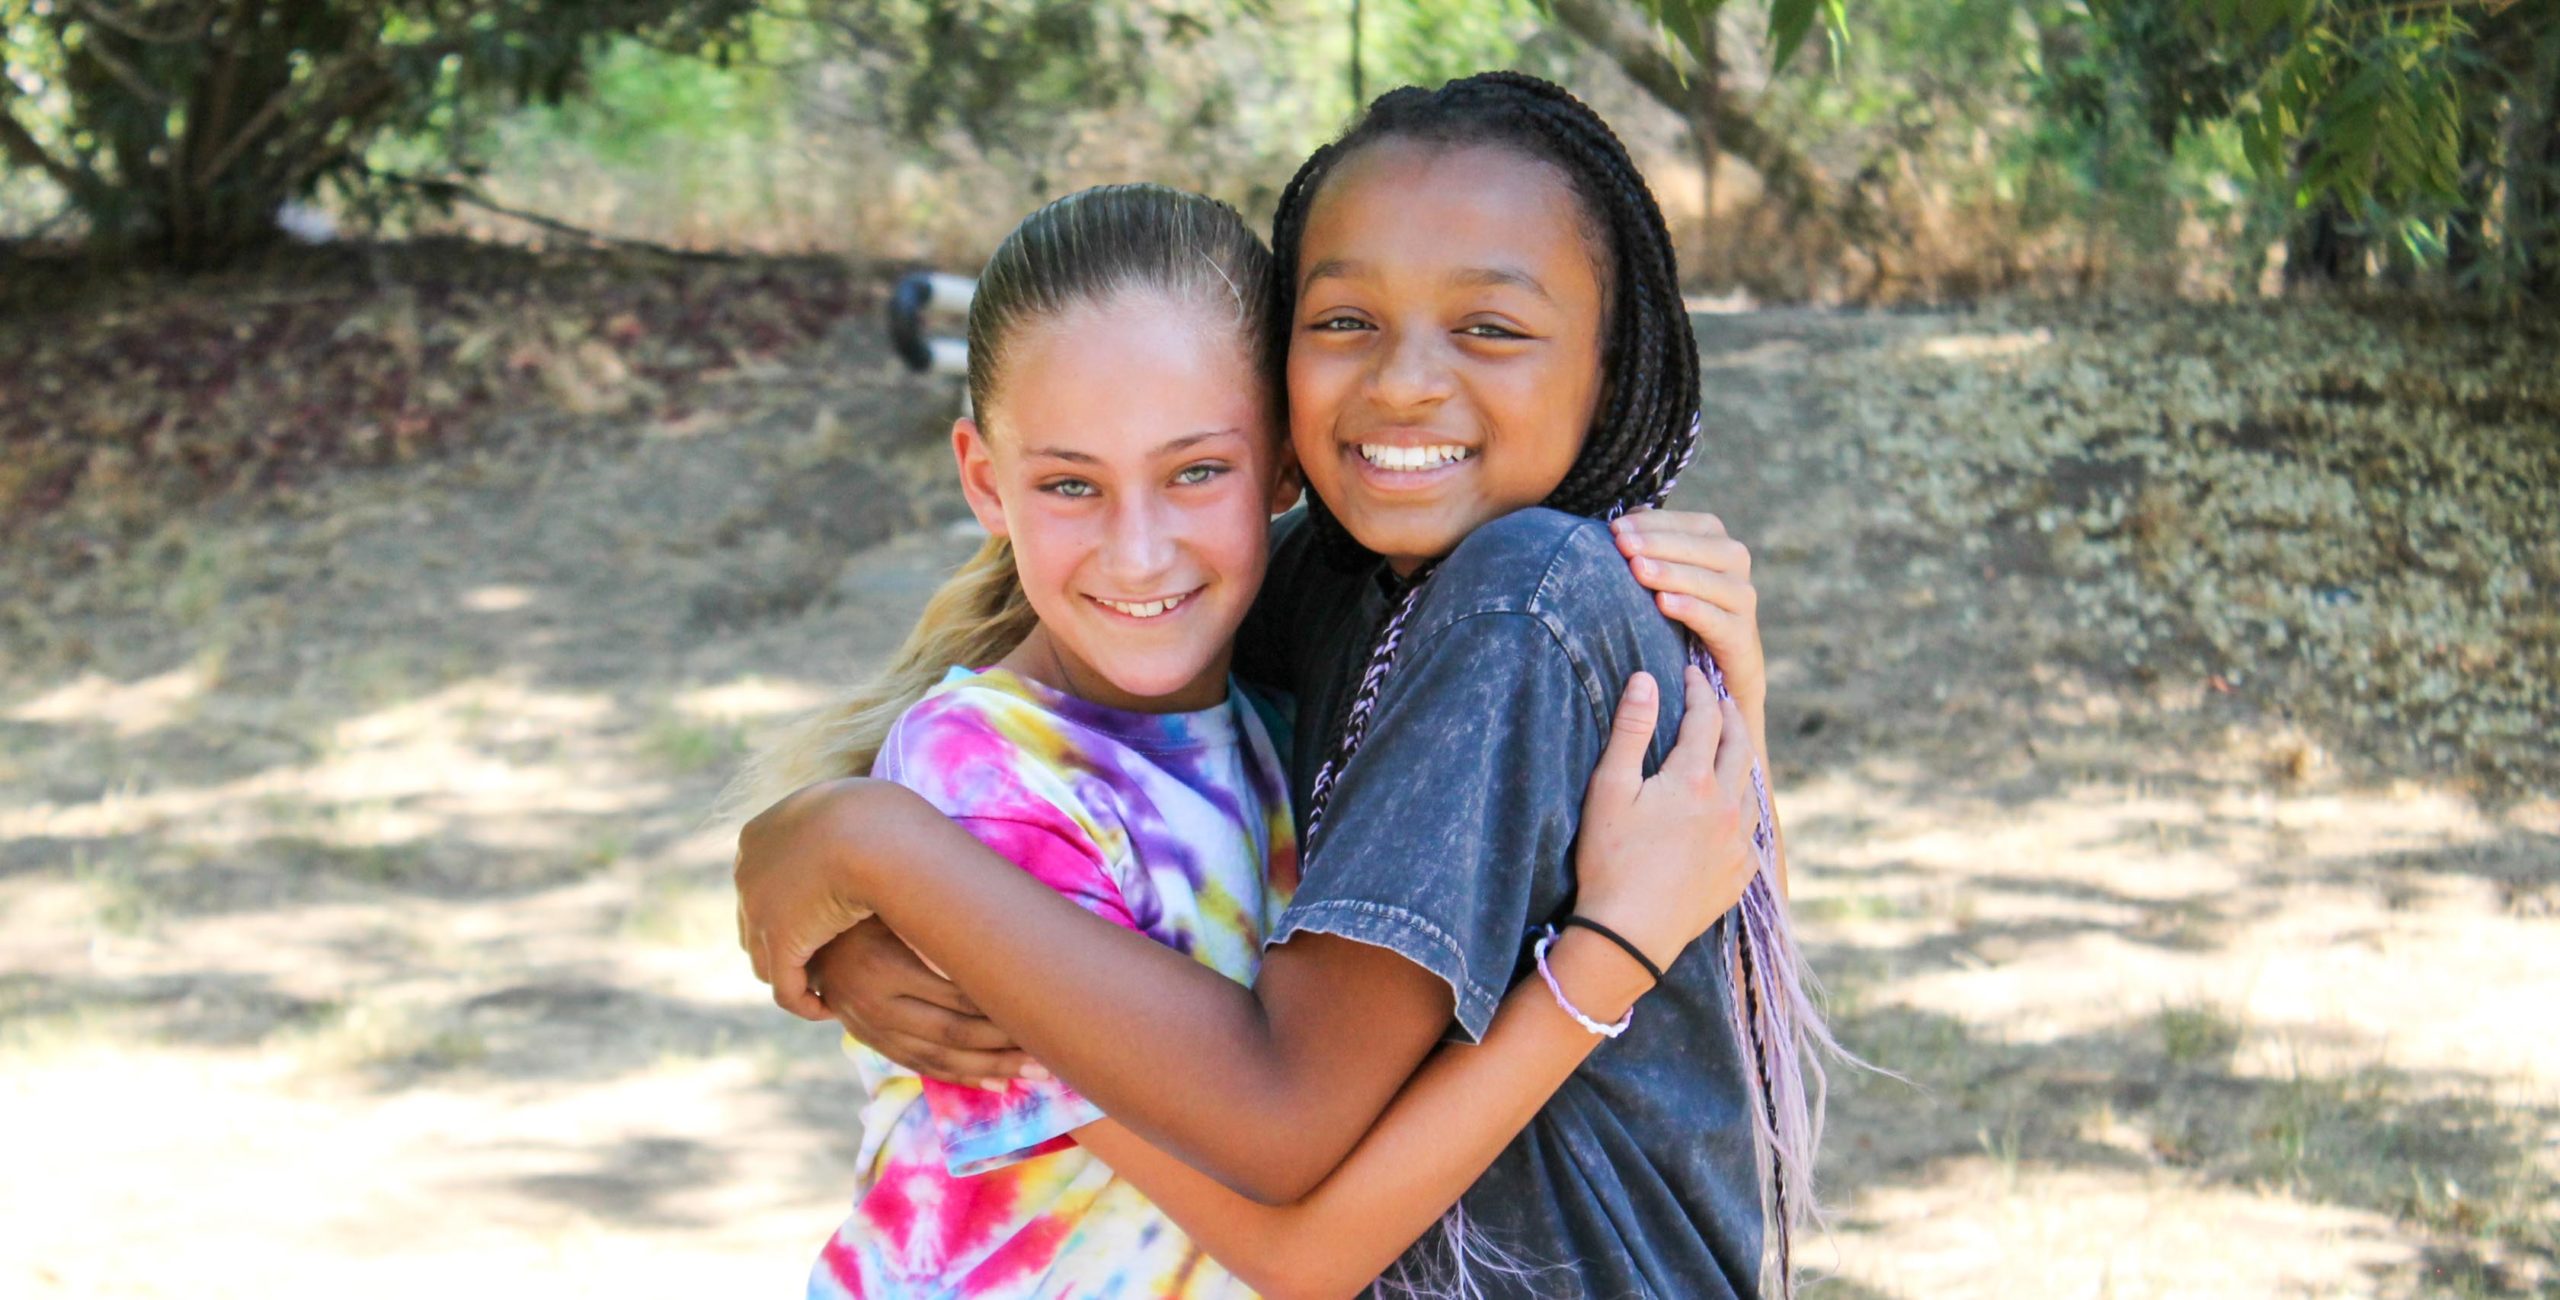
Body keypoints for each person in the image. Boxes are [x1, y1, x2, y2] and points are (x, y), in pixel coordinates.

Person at [739, 74, 1837, 1298]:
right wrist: (850, 850)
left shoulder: (1510, 599)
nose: (1408, 382)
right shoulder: (1300, 607)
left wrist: (1717, 701)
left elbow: (1720, 984)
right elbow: (1287, 1159)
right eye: (1343, 321)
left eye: (1490, 325)